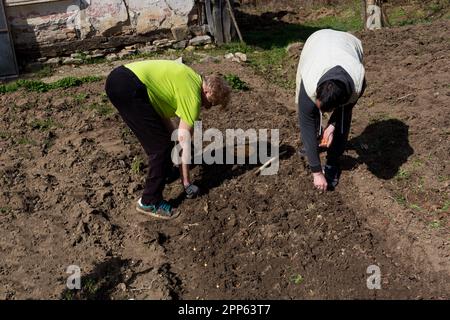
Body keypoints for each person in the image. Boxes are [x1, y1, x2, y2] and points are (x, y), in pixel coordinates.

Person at [105, 60, 231, 219]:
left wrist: (175, 141)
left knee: (164, 143)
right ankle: (149, 201)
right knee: (160, 148)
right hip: (129, 88)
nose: (207, 108)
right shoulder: (193, 99)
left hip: (118, 78)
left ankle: (164, 173)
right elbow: (183, 144)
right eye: (211, 103)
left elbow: (161, 114)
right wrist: (186, 183)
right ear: (207, 92)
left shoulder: (190, 77)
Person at [295, 29, 366, 192]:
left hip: (347, 44)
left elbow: (346, 109)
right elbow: (305, 122)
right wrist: (316, 171)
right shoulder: (310, 80)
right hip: (316, 42)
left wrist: (333, 124)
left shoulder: (358, 82)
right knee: (308, 116)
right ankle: (315, 139)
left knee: (342, 122)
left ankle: (333, 161)